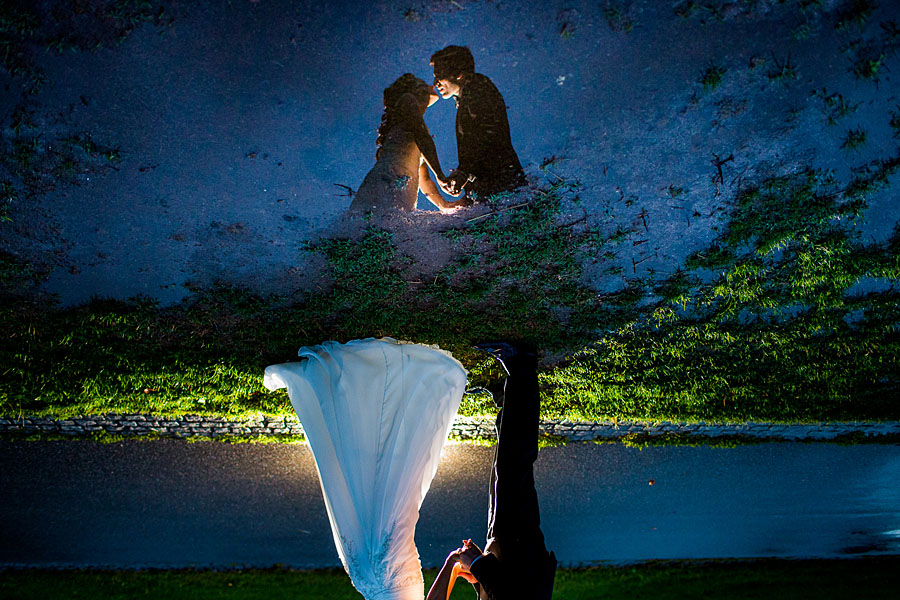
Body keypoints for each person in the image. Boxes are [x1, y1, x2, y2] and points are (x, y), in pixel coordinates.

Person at [264, 338, 468, 600]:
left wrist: (453, 563)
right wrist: (452, 566)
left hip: (392, 578)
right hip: (373, 579)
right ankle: (337, 387)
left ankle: (386, 379)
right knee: (370, 491)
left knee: (395, 486)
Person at [426, 342, 557, 600]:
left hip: (506, 563)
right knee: (515, 465)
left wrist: (479, 581)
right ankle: (522, 363)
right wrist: (479, 566)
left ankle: (506, 400)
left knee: (502, 472)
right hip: (522, 562)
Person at [350, 74, 465, 213]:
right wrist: (440, 175)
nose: (433, 85)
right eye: (423, 83)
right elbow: (422, 136)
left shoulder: (414, 122)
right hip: (386, 183)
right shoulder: (406, 100)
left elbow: (425, 179)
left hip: (400, 191)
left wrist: (443, 205)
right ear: (414, 89)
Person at [430, 46, 526, 202]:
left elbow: (488, 138)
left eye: (440, 75)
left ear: (458, 74)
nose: (435, 83)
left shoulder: (477, 89)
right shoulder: (471, 92)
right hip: (499, 186)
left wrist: (465, 173)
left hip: (500, 186)